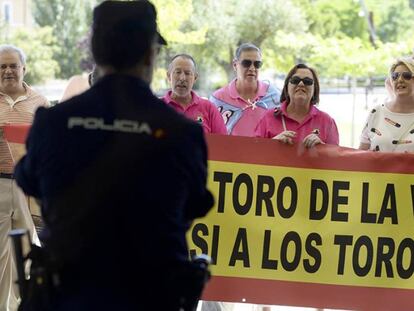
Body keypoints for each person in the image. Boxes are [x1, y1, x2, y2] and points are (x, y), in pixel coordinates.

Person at [14, 1, 214, 310]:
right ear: (152, 53)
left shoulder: (52, 124)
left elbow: (30, 182)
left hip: (68, 298)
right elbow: (192, 207)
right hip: (151, 298)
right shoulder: (182, 134)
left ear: (94, 50)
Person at [0, 44, 47, 311]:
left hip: (28, 188)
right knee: (1, 256)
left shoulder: (39, 102)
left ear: (23, 69)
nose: (8, 71)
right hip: (0, 183)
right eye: (2, 66)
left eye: (13, 66)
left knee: (30, 251)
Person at [255, 63, 339, 148]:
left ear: (315, 89)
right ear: (287, 87)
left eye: (307, 81)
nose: (301, 84)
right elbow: (255, 152)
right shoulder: (268, 118)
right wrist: (273, 143)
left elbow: (335, 158)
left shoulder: (327, 121)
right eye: (295, 80)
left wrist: (322, 147)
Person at [209, 43, 280, 136]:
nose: (252, 68)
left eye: (257, 64)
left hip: (266, 150)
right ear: (235, 65)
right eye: (246, 63)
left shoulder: (274, 97)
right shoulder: (217, 99)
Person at [359, 57, 414, 152]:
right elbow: (360, 154)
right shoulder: (376, 112)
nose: (400, 80)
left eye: (407, 75)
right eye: (395, 76)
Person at [162, 54, 227, 134]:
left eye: (187, 73)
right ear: (169, 76)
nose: (182, 78)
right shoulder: (156, 107)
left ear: (195, 77)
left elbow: (223, 143)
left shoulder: (209, 108)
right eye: (178, 72)